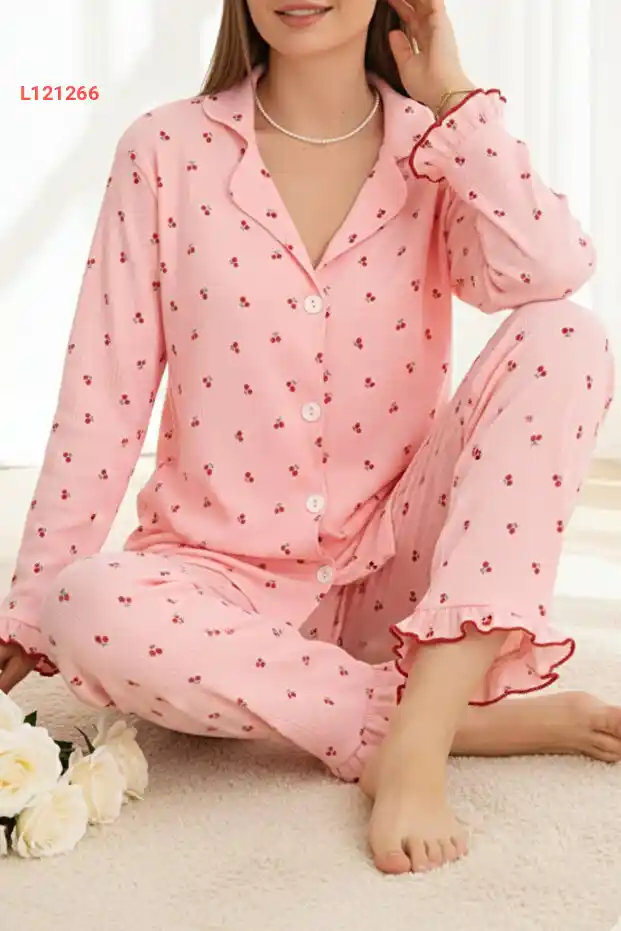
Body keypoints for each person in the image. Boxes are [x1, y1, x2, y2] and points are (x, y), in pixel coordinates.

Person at [0, 0, 618, 875]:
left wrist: (454, 96)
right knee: (86, 603)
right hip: (219, 586)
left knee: (565, 333)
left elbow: (550, 268)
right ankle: (434, 720)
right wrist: (29, 612)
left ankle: (416, 739)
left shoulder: (435, 146)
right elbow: (102, 394)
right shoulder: (165, 150)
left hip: (397, 571)